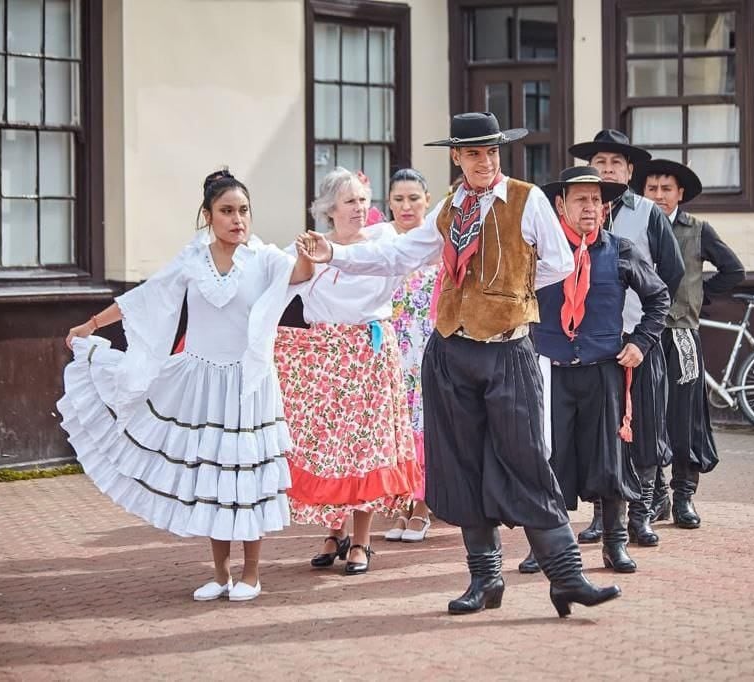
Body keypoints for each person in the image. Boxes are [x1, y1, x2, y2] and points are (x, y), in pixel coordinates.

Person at [305, 112, 622, 618]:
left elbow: (559, 263)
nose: (484, 161)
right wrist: (334, 257)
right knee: (463, 464)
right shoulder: (451, 207)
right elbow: (401, 255)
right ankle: (485, 580)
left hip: (508, 349)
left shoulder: (526, 198)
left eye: (491, 152)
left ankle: (566, 578)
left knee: (526, 461)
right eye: (474, 153)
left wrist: (509, 294)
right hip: (451, 351)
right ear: (458, 157)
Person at [59, 169, 317, 602]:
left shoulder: (264, 257)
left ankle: (251, 574)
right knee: (212, 478)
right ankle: (219, 574)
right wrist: (91, 323)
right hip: (201, 381)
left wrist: (311, 254)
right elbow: (146, 297)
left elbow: (299, 275)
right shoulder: (191, 259)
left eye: (244, 210)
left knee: (245, 477)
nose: (238, 219)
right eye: (227, 211)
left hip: (247, 383)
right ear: (208, 215)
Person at [275, 167, 421, 575]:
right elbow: (269, 280)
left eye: (362, 200)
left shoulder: (383, 240)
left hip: (369, 353)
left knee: (366, 449)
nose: (360, 208)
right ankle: (332, 530)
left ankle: (362, 540)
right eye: (350, 202)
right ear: (329, 210)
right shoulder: (306, 248)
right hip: (324, 356)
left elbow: (387, 260)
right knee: (328, 447)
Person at [531, 166, 669, 574]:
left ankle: (614, 543)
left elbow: (659, 299)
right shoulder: (539, 252)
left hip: (603, 370)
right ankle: (547, 546)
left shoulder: (621, 250)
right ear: (561, 205)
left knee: (610, 460)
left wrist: (640, 343)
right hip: (550, 371)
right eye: (581, 200)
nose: (591, 207)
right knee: (546, 459)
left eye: (597, 200)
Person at [567, 130, 684, 548]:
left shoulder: (647, 213)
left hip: (640, 343)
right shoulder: (575, 213)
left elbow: (669, 274)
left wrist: (643, 328)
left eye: (617, 163)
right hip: (594, 346)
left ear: (630, 171)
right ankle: (602, 515)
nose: (608, 169)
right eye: (600, 162)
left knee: (647, 429)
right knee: (601, 435)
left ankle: (643, 514)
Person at [631, 158, 745, 528]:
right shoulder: (635, 227)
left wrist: (698, 295)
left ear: (680, 193)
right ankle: (657, 497)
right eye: (652, 189)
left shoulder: (697, 229)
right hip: (642, 337)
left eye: (666, 189)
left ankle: (684, 498)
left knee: (685, 418)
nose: (659, 195)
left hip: (680, 336)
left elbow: (733, 271)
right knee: (647, 418)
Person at [384, 168, 437, 543]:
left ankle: (423, 507)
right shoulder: (381, 244)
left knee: (427, 428)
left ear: (427, 202)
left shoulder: (437, 243)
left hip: (430, 348)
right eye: (399, 199)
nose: (406, 206)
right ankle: (403, 503)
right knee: (398, 429)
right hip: (391, 351)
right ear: (388, 203)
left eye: (414, 198)